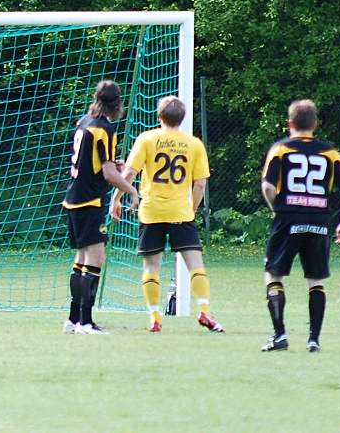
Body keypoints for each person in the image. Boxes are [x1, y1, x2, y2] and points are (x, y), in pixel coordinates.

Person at [110, 95, 223, 333]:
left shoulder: (147, 139)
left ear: (159, 116)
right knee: (195, 264)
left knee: (152, 266)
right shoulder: (194, 144)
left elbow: (129, 173)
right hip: (180, 211)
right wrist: (190, 211)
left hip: (151, 210)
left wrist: (116, 199)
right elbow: (200, 184)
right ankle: (204, 310)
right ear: (182, 118)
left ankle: (155, 317)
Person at [260, 98, 340, 352]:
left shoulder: (281, 149)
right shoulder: (330, 152)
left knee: (273, 274)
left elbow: (268, 187)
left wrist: (276, 208)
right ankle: (313, 340)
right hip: (319, 220)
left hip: (288, 218)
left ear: (290, 123)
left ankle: (279, 335)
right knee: (316, 280)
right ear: (315, 124)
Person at [62, 80, 139, 335]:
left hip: (74, 196)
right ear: (117, 103)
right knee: (95, 258)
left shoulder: (84, 122)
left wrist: (112, 165)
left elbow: (92, 162)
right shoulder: (104, 129)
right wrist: (131, 190)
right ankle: (86, 322)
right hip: (90, 200)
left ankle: (73, 319)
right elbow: (108, 174)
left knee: (82, 258)